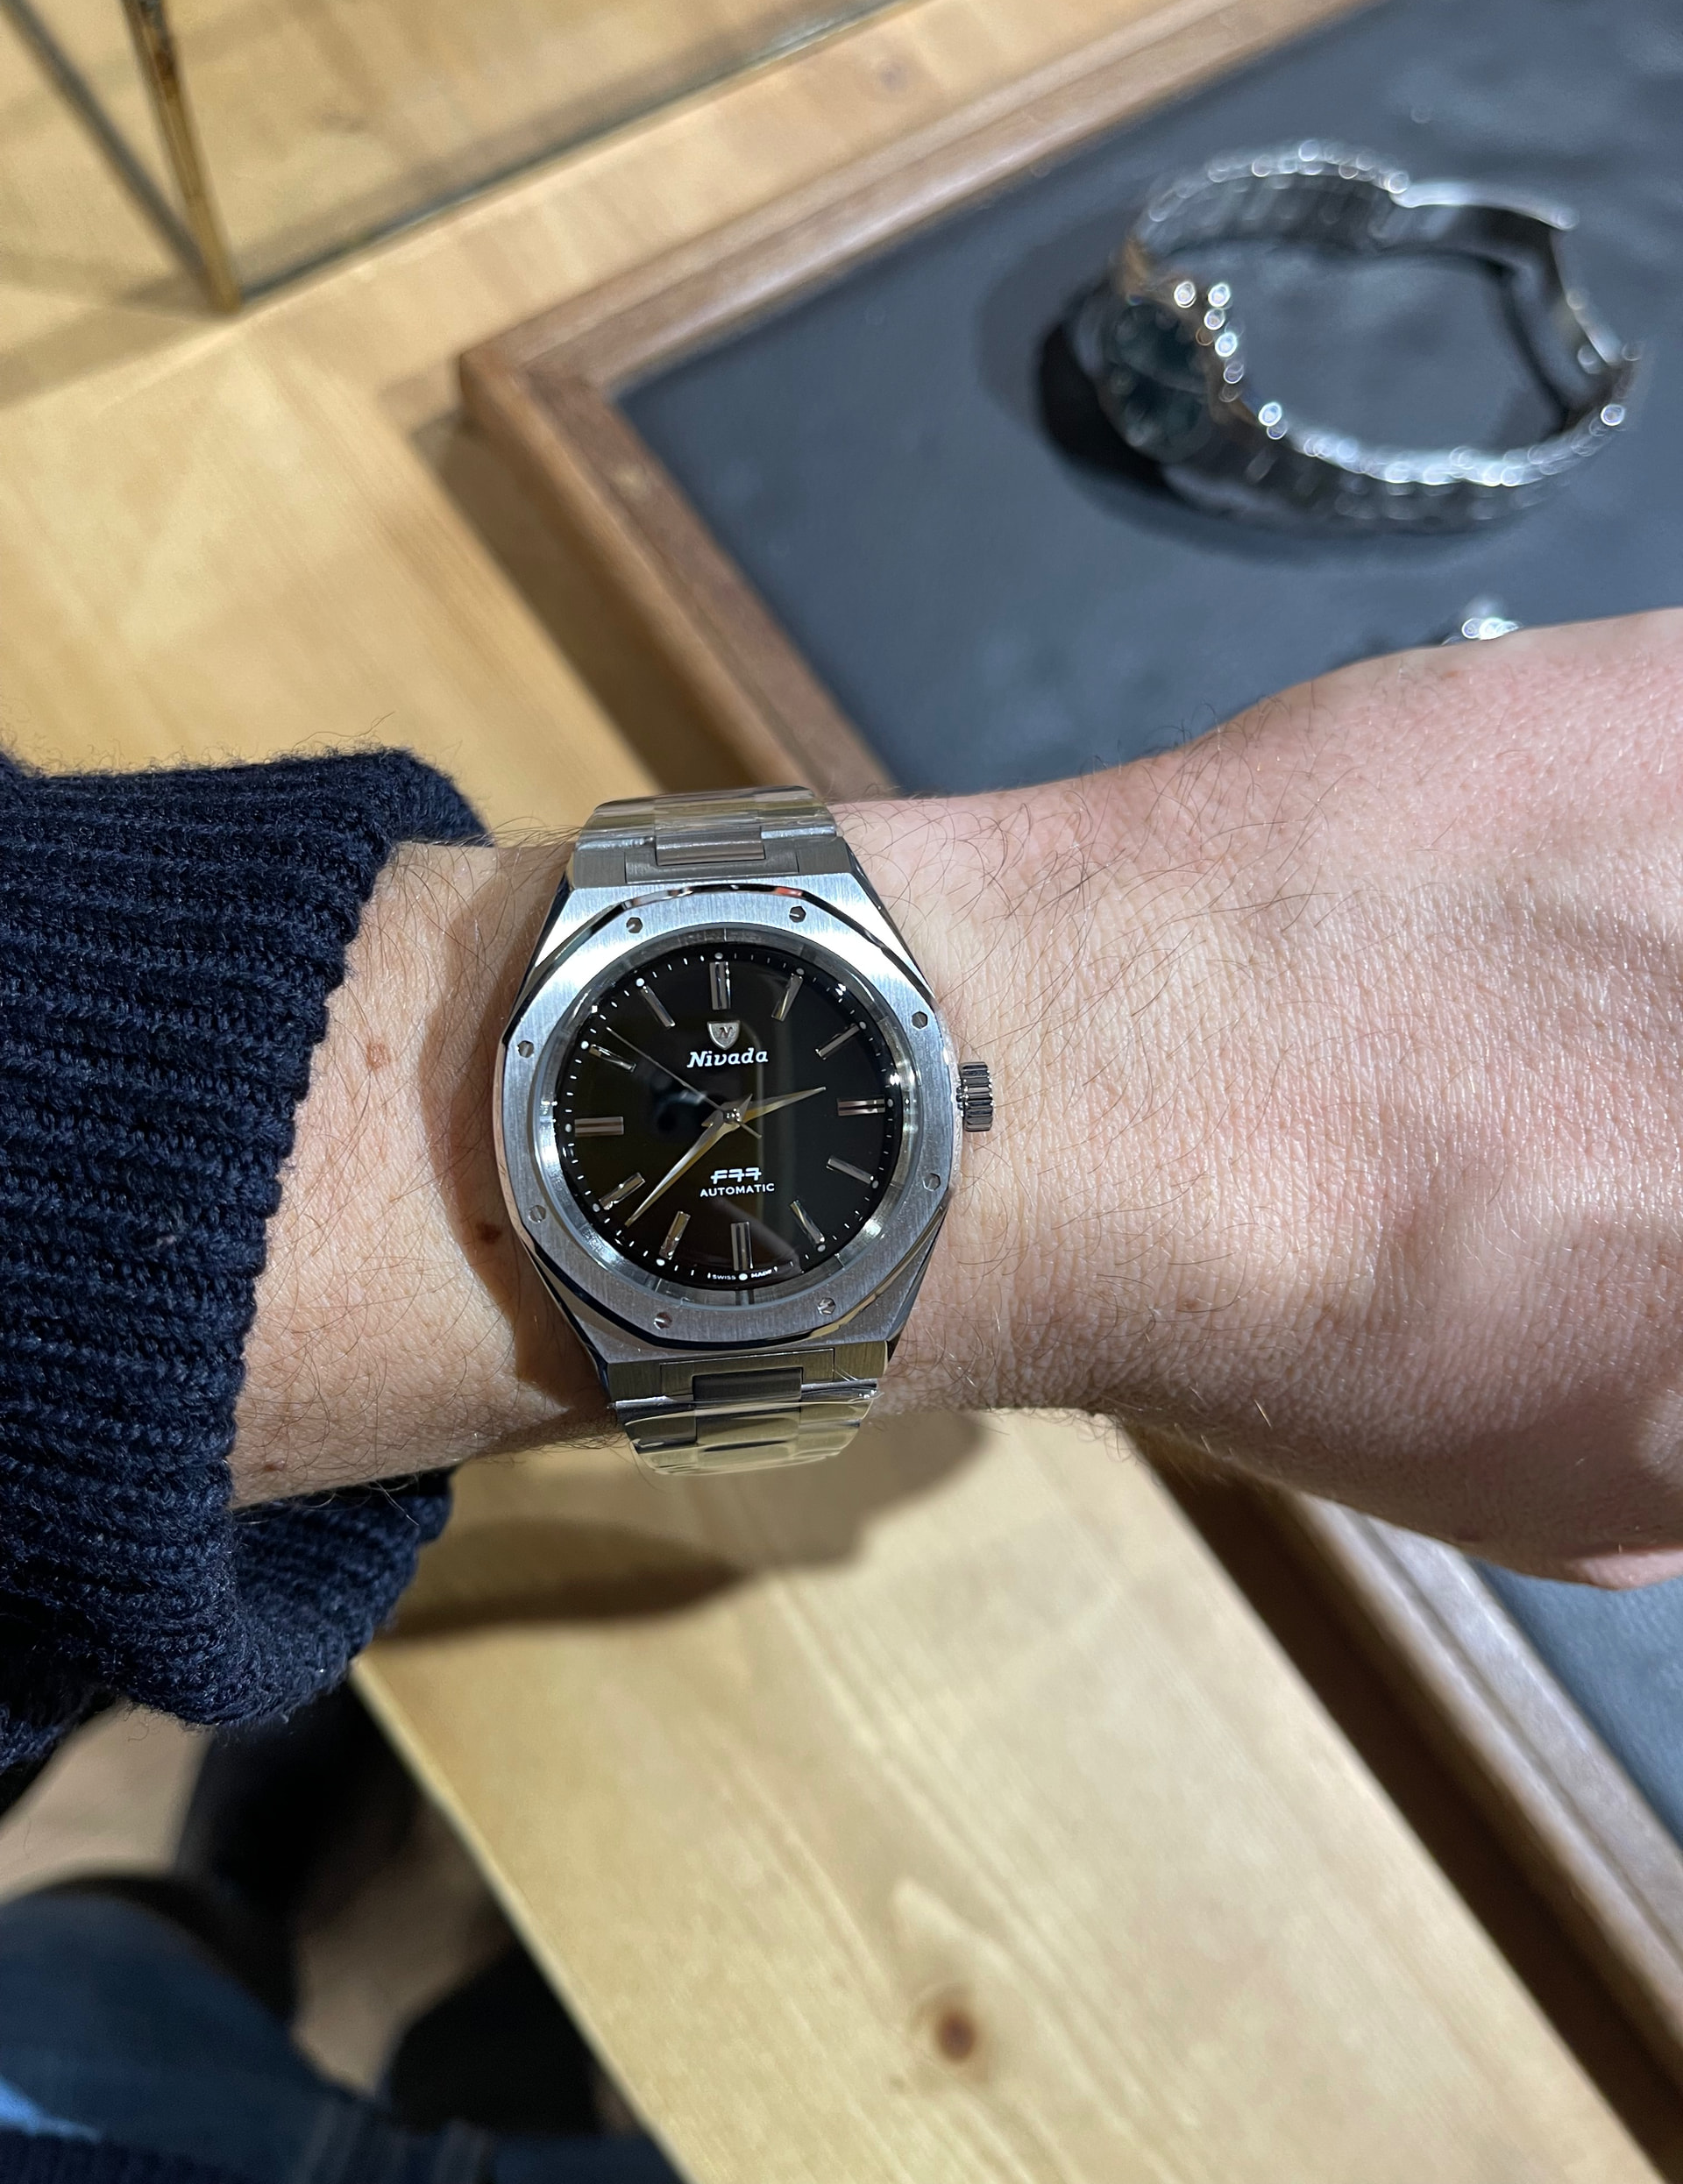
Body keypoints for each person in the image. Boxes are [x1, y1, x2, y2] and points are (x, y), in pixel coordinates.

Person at [4, 607, 1683, 2175]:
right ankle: (365, 1989)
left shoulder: (878, 1104)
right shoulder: (761, 1098)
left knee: (105, 1991)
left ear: (948, 1094)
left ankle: (279, 1944)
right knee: (148, 2007)